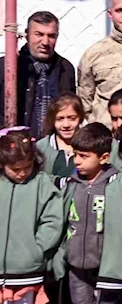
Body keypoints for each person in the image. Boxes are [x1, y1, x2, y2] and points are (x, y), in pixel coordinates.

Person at [55, 123, 122, 304]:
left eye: (84, 156)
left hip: (108, 265)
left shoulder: (118, 184)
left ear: (104, 158)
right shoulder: (71, 184)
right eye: (75, 154)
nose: (77, 161)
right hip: (76, 266)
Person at [0, 130, 62, 304]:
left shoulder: (42, 183)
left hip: (28, 271)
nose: (22, 173)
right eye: (15, 169)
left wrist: (36, 250)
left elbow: (52, 221)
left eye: (27, 167)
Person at [0, 11, 75, 137]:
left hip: (52, 144)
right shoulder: (6, 67)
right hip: (16, 144)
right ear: (27, 34)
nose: (45, 42)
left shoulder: (65, 68)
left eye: (51, 36)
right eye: (39, 34)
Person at [36, 93, 84, 177]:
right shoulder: (42, 147)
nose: (66, 125)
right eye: (59, 119)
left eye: (72, 118)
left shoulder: (92, 145)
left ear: (80, 118)